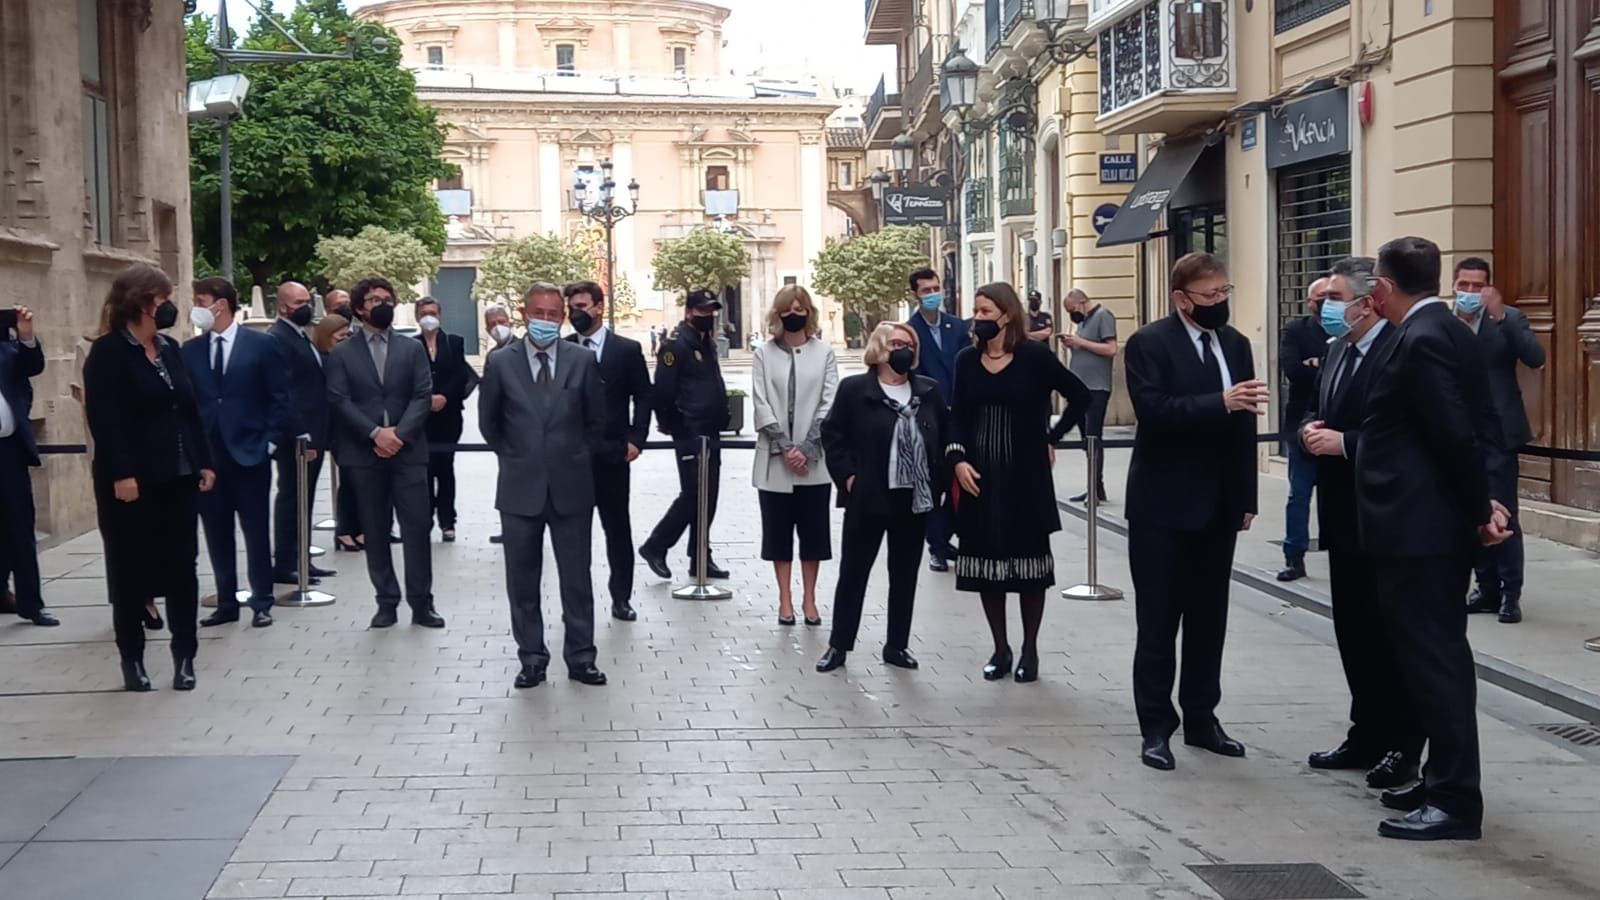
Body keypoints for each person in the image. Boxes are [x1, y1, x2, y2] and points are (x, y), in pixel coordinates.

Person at [1357, 236, 1511, 842]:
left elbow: (1454, 436)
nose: (1370, 289)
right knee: (1429, 663)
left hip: (1419, 530)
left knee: (1436, 663)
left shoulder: (1423, 340)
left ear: (1387, 286)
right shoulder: (1445, 330)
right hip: (1422, 525)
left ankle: (1453, 800)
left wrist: (1481, 509)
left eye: (1373, 280)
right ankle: (1439, 780)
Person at [1124, 252, 1266, 772]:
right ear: (1181, 298)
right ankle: (1156, 727)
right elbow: (1154, 412)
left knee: (1210, 620)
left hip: (1218, 506)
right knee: (1159, 620)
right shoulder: (1148, 343)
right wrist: (1218, 403)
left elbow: (1246, 420)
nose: (1220, 304)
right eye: (1210, 296)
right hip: (1162, 505)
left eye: (1225, 293)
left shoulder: (1236, 344)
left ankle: (1203, 719)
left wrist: (1246, 497)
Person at [1299, 257, 1421, 790]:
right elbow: (1313, 408)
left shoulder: (1398, 352)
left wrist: (1346, 444)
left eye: (1335, 297)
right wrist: (1310, 428)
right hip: (1341, 514)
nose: (1326, 307)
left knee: (1390, 634)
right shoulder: (1335, 351)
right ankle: (1364, 731)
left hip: (1386, 514)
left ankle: (1402, 742)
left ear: (1367, 302)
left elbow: (1409, 435)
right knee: (1353, 631)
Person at [947, 283, 1090, 683]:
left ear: (1006, 315)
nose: (978, 318)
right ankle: (1000, 648)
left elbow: (1079, 396)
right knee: (987, 565)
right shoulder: (966, 360)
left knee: (1028, 566)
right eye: (976, 311)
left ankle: (1030, 648)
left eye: (986, 311)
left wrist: (1052, 437)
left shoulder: (1034, 357)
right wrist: (957, 458)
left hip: (1025, 476)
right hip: (979, 475)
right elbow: (957, 413)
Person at [84, 264, 215, 691]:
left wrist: (204, 461)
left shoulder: (170, 349)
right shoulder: (108, 353)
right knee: (129, 570)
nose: (169, 307)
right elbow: (105, 419)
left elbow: (189, 411)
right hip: (133, 483)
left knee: (183, 568)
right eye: (163, 299)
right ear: (141, 301)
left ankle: (185, 656)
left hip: (178, 476)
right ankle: (133, 659)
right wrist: (122, 473)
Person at [479, 282, 608, 688]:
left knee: (576, 577)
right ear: (524, 313)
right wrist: (518, 455)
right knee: (522, 578)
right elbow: (489, 423)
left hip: (571, 485)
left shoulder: (581, 360)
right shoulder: (501, 362)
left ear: (563, 317)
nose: (547, 321)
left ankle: (581, 656)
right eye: (540, 313)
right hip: (520, 487)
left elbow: (596, 419)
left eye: (555, 315)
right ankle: (532, 658)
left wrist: (574, 455)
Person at [816, 322, 945, 673]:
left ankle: (897, 646)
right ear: (879, 349)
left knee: (904, 575)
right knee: (854, 572)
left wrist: (939, 485)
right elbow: (833, 435)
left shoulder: (928, 391)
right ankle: (838, 645)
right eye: (896, 343)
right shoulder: (855, 390)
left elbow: (944, 437)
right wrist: (850, 478)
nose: (904, 349)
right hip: (869, 497)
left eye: (909, 344)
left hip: (913, 499)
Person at [325, 277, 444, 630]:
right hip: (365, 454)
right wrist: (375, 433)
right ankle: (386, 601)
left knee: (417, 528)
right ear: (360, 308)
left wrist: (399, 435)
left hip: (409, 453)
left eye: (387, 298)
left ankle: (422, 603)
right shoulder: (343, 352)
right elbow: (338, 400)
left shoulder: (412, 348)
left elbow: (423, 395)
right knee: (375, 530)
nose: (383, 304)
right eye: (375, 299)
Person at [183, 277, 294, 629]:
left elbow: (278, 396)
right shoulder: (190, 351)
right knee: (216, 533)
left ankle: (262, 601)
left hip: (250, 454)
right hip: (208, 459)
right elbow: (187, 406)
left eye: (202, 300)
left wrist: (270, 442)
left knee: (256, 531)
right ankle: (226, 600)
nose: (197, 307)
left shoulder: (261, 345)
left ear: (222, 304)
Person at [1452, 258, 1544, 624]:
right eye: (1464, 285)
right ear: (1453, 285)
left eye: (1478, 286)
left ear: (1489, 287)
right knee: (1470, 510)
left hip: (1498, 434)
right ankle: (1484, 587)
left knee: (1504, 513)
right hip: (1459, 432)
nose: (1471, 293)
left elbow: (1535, 357)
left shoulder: (1508, 318)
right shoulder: (1443, 323)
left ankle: (1510, 593)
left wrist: (1501, 318)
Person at [751, 285, 839, 628]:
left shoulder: (824, 353)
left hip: (813, 461)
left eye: (801, 308)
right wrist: (785, 445)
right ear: (778, 313)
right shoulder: (764, 354)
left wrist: (807, 447)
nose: (795, 313)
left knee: (814, 534)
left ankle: (810, 598)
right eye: (789, 308)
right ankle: (785, 598)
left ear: (809, 313)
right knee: (778, 533)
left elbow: (829, 400)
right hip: (775, 460)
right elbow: (760, 399)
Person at [564, 281, 651, 621]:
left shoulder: (626, 350)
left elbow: (644, 395)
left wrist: (636, 438)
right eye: (573, 307)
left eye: (583, 306)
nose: (577, 313)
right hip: (573, 457)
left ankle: (621, 596)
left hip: (614, 455)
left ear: (599, 306)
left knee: (617, 529)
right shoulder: (565, 347)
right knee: (574, 534)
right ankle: (577, 600)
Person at [640, 289, 731, 580]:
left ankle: (700, 556)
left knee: (710, 496)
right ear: (689, 312)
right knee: (693, 494)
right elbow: (663, 389)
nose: (708, 316)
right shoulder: (675, 345)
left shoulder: (707, 344)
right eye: (702, 311)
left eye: (711, 311)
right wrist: (670, 423)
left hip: (710, 429)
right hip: (689, 429)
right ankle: (656, 545)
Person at [269, 282, 335, 586]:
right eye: (299, 302)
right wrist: (300, 433)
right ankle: (285, 562)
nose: (306, 306)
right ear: (283, 306)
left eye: (308, 300)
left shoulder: (300, 335)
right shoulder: (279, 338)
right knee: (292, 497)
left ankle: (302, 558)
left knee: (304, 498)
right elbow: (286, 392)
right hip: (298, 436)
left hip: (314, 431)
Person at [905, 268, 968, 572]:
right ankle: (937, 548)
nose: (933, 294)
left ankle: (944, 537)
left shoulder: (957, 327)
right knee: (932, 486)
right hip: (929, 421)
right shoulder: (909, 332)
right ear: (915, 295)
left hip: (962, 415)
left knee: (962, 481)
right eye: (926, 290)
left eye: (936, 288)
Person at [0, 304, 58, 627]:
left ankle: (31, 603)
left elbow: (32, 364)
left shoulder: (7, 350)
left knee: (21, 527)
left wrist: (25, 334)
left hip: (7, 450)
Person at [1277, 277, 1331, 582]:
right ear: (1309, 302)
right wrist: (1325, 368)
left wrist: (1318, 364)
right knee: (1298, 494)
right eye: (1320, 297)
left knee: (1335, 496)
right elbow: (1293, 372)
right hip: (1301, 425)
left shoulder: (1348, 328)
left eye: (1330, 295)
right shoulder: (1296, 331)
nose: (1326, 302)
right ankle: (1294, 557)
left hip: (1337, 428)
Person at [417, 296, 480, 543]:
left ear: (440, 314)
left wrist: (445, 396)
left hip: (449, 415)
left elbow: (459, 375)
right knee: (424, 469)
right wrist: (427, 399)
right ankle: (425, 518)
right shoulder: (411, 345)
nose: (428, 317)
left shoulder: (454, 342)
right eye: (424, 313)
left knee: (445, 468)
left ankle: (447, 521)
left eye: (432, 312)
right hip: (421, 417)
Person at [1058, 289, 1118, 504]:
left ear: (1082, 303)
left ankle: (1095, 488)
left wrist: (1081, 343)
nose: (1072, 315)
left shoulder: (1103, 316)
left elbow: (1111, 349)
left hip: (1096, 387)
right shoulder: (1083, 322)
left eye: (1072, 310)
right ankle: (1095, 487)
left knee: (1093, 438)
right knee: (1086, 440)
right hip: (1082, 388)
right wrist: (1072, 344)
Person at [483, 302, 516, 546]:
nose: (498, 327)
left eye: (501, 322)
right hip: (506, 433)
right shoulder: (493, 355)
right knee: (508, 483)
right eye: (493, 324)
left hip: (524, 427)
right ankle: (510, 528)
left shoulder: (522, 349)